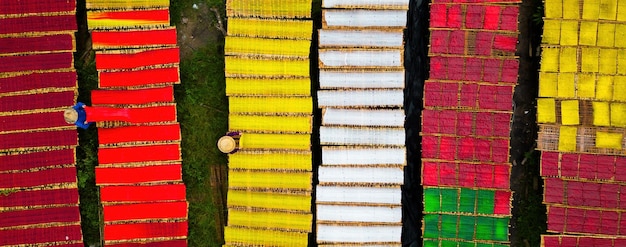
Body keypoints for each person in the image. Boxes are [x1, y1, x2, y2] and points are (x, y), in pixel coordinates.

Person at [64, 102, 132, 129]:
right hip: (93, 117)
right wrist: (87, 122)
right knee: (107, 115)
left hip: (92, 110)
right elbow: (85, 126)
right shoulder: (78, 123)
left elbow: (78, 104)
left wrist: (83, 105)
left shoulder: (74, 109)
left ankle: (120, 111)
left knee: (106, 110)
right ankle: (121, 115)